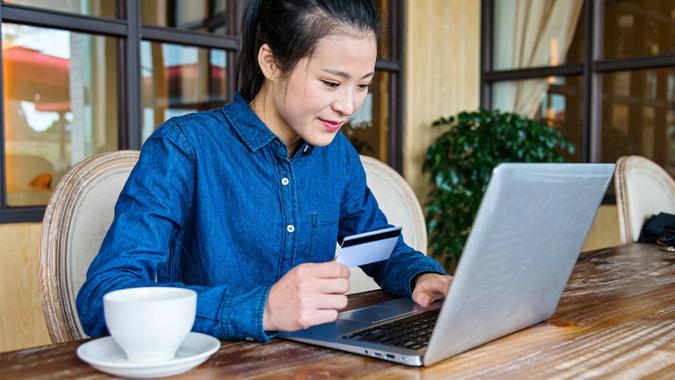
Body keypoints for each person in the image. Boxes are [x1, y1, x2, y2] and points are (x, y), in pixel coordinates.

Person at [76, 0, 451, 342]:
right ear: (270, 62)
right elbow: (105, 297)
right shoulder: (183, 148)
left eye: (364, 85)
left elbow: (378, 248)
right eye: (331, 83)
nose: (348, 105)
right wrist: (265, 308)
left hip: (315, 363)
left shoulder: (338, 157)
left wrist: (421, 275)